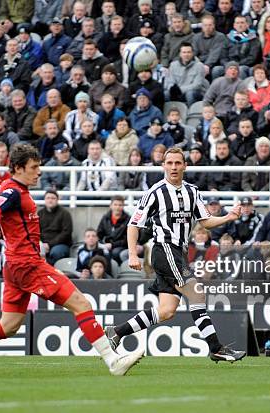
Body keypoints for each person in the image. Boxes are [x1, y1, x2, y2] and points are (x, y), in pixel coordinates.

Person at [0, 143, 144, 375]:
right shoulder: (12, 192)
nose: (39, 172)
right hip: (28, 264)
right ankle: (112, 361)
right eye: (34, 167)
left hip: (14, 266)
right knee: (82, 304)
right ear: (18, 168)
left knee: (9, 326)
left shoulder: (8, 187)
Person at [105, 147, 246, 362]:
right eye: (169, 163)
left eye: (178, 163)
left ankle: (117, 332)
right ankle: (216, 348)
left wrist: (228, 217)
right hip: (164, 250)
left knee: (167, 311)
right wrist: (133, 254)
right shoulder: (155, 192)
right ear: (163, 166)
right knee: (197, 294)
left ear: (185, 166)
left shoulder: (192, 191)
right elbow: (134, 224)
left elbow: (205, 221)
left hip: (179, 252)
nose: (173, 167)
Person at [38, 190, 73, 265]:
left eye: (53, 198)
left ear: (57, 200)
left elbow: (66, 233)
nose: (50, 200)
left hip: (60, 244)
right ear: (44, 200)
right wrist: (42, 244)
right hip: (43, 244)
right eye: (48, 198)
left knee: (56, 252)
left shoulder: (64, 213)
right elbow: (36, 231)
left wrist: (49, 244)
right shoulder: (40, 213)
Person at [96, 196, 131, 264]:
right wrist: (101, 244)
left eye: (120, 205)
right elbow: (99, 233)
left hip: (121, 246)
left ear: (123, 206)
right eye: (115, 204)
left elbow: (127, 239)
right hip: (106, 244)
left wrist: (112, 245)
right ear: (111, 206)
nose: (117, 207)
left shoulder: (128, 219)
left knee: (115, 252)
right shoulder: (105, 218)